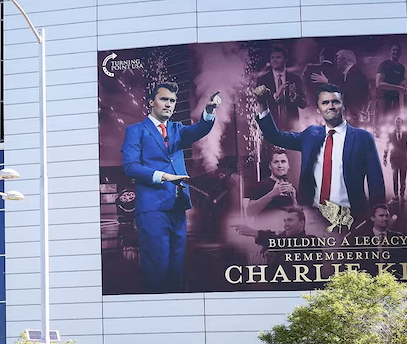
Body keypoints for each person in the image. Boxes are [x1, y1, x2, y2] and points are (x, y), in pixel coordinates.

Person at [119, 82, 221, 291]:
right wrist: (163, 176)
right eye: (164, 99)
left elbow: (201, 129)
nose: (169, 104)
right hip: (152, 208)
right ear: (151, 103)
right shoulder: (136, 131)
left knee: (176, 269)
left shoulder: (177, 129)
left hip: (177, 205)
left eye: (172, 101)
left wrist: (209, 110)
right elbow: (130, 167)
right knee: (157, 268)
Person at [253, 83, 385, 232]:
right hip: (312, 218)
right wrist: (263, 105)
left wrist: (377, 219)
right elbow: (276, 136)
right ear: (318, 109)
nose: (331, 106)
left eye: (335, 101)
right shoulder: (311, 134)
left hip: (351, 219)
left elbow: (376, 182)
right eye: (325, 102)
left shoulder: (363, 138)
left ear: (343, 105)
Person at [251, 44, 306, 131]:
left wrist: (294, 97)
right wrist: (276, 95)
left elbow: (303, 104)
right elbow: (259, 103)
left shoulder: (295, 78)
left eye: (278, 57)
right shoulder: (263, 80)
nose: (275, 60)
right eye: (272, 57)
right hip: (271, 126)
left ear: (285, 59)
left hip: (292, 127)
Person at [245, 149, 297, 221]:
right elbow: (250, 212)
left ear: (288, 165)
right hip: (267, 229)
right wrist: (272, 193)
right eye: (276, 162)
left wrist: (294, 199)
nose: (280, 165)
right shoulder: (261, 185)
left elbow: (297, 217)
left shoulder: (291, 188)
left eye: (283, 161)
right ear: (270, 166)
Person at [384, 117, 407, 206]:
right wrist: (385, 157)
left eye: (399, 122)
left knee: (403, 178)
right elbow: (387, 145)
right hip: (394, 159)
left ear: (402, 123)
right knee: (395, 177)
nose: (397, 124)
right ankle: (396, 195)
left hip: (404, 159)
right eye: (396, 122)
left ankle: (402, 195)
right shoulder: (391, 134)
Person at [375, 43, 407, 119]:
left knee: (394, 124)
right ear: (390, 52)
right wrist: (398, 88)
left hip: (395, 101)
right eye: (394, 50)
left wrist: (406, 85)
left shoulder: (401, 68)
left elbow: (401, 83)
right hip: (383, 100)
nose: (396, 52)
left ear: (400, 53)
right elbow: (379, 84)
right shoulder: (384, 65)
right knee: (382, 124)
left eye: (398, 50)